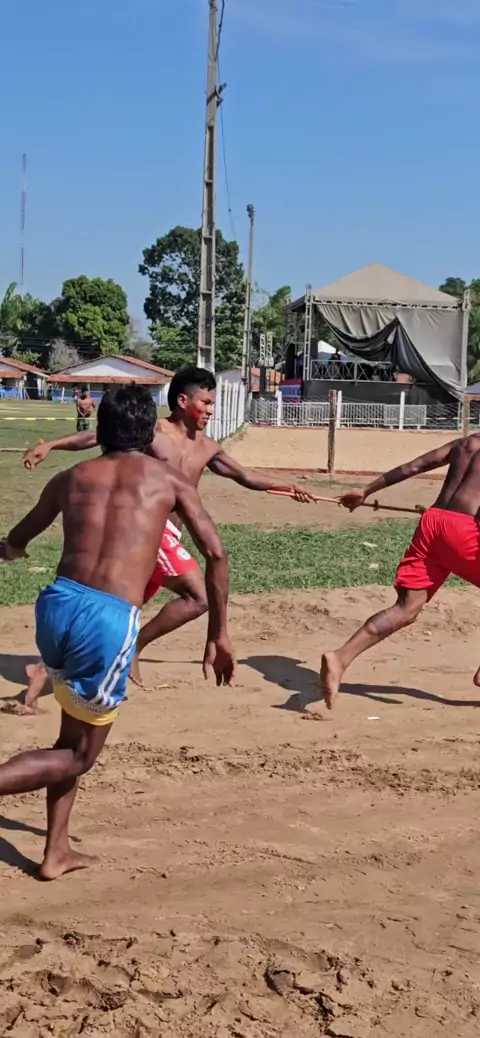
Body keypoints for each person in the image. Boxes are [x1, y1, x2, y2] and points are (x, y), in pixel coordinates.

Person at [0, 384, 234, 880]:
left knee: (69, 733)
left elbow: (16, 542)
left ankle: (56, 851)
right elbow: (215, 553)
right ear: (150, 433)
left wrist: (9, 549)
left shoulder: (70, 478)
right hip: (107, 621)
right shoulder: (168, 480)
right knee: (79, 755)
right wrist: (218, 633)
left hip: (57, 607)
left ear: (99, 429)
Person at [23, 367, 315, 689]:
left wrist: (287, 486)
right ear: (182, 401)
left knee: (123, 605)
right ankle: (131, 648)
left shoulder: (208, 448)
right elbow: (97, 436)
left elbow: (245, 476)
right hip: (151, 532)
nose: (210, 410)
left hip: (170, 536)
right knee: (198, 596)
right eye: (205, 402)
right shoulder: (154, 431)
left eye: (212, 403)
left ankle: (50, 668)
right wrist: (52, 445)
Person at [320, 431, 480, 709]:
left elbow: (413, 467)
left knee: (407, 608)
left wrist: (366, 491)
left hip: (432, 523)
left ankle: (340, 658)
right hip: (464, 529)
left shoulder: (467, 442)